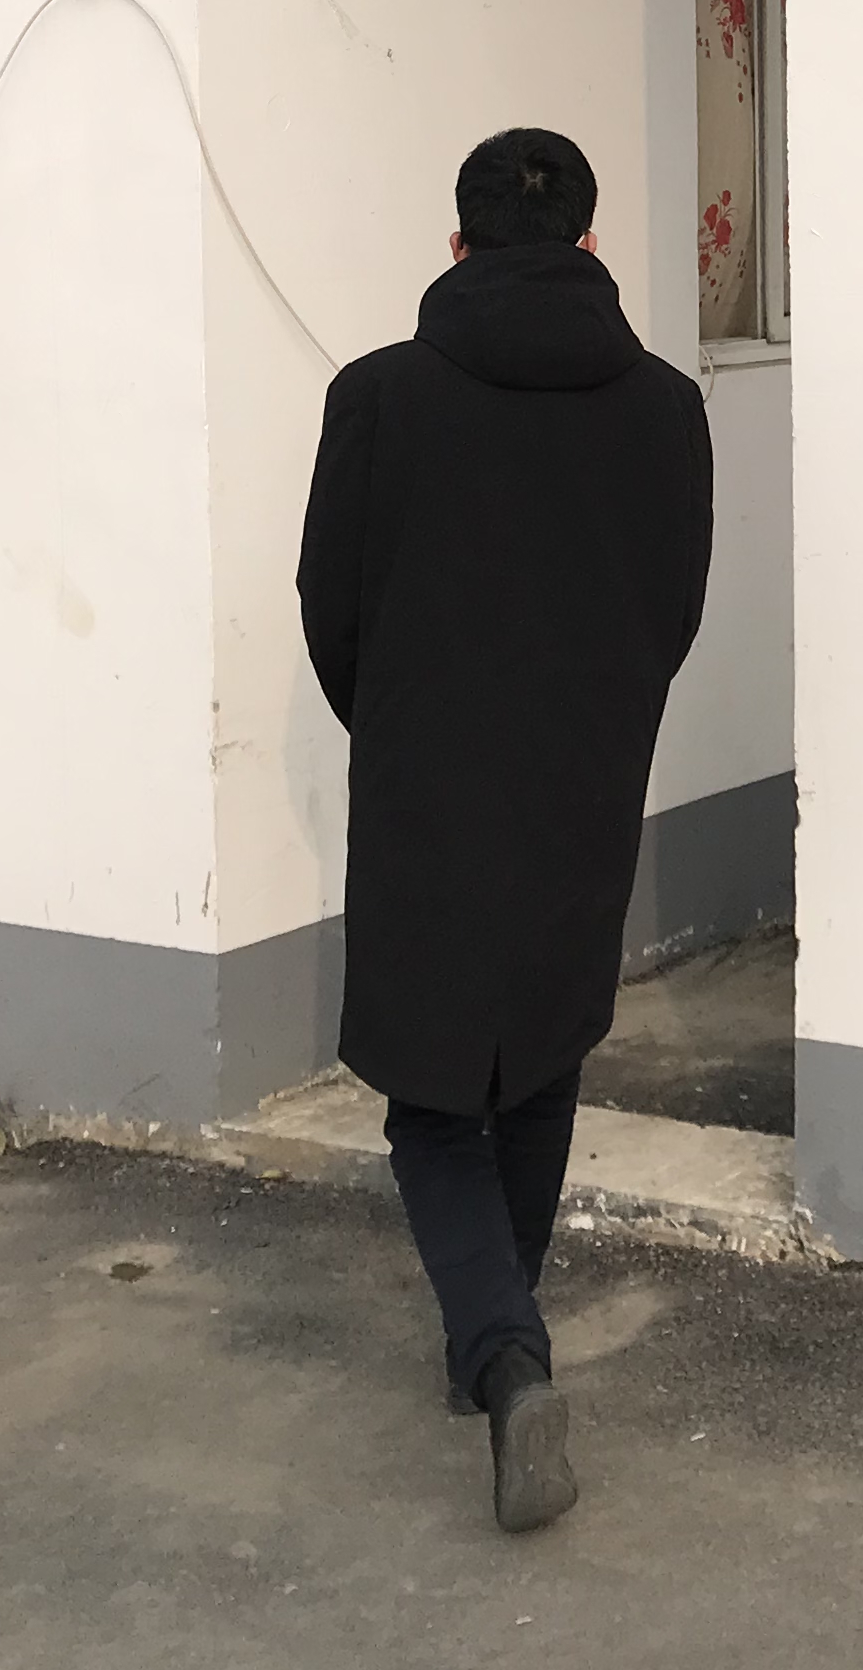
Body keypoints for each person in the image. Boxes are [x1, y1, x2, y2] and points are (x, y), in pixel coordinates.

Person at [298, 128, 714, 1532]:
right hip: (583, 777)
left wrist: (398, 718)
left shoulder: (379, 395)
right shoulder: (664, 407)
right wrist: (602, 720)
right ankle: (498, 1333)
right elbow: (673, 606)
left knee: (431, 1097)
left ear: (457, 245)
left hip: (426, 775)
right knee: (537, 1063)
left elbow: (330, 604)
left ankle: (502, 1354)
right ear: (590, 244)